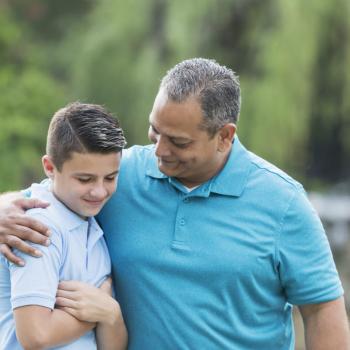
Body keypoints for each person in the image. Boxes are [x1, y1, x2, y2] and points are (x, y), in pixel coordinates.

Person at [0, 58, 349, 349]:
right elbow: (53, 193)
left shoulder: (284, 203)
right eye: (155, 132)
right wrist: (4, 209)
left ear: (224, 136)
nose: (160, 151)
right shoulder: (120, 176)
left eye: (179, 142)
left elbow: (322, 310)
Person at [0, 102, 128, 349]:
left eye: (110, 177)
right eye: (85, 179)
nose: (100, 191)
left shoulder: (92, 225)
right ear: (49, 167)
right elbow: (36, 336)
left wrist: (111, 313)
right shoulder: (36, 226)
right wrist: (97, 311)